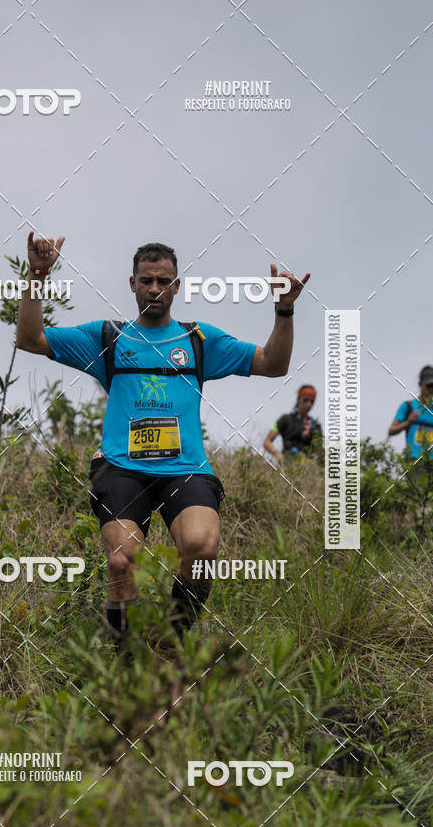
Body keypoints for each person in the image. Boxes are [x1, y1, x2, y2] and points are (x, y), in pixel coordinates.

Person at [16, 233, 310, 652]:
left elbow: (273, 363)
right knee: (121, 562)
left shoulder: (198, 340)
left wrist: (284, 309)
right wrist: (38, 273)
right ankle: (126, 661)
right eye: (147, 280)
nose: (155, 288)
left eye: (163, 281)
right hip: (122, 468)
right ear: (132, 284)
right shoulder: (108, 337)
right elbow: (31, 339)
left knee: (202, 551)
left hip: (185, 469)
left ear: (176, 287)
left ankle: (170, 645)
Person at [263, 385, 322, 465]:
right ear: (298, 399)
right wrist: (277, 454)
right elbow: (267, 442)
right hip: (288, 463)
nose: (309, 404)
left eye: (312, 401)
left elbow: (320, 451)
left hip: (309, 466)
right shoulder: (285, 419)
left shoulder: (316, 425)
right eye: (305, 400)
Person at [389, 365, 433, 459]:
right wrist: (408, 422)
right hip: (413, 460)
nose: (431, 390)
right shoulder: (408, 406)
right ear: (420, 384)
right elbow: (391, 430)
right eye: (429, 386)